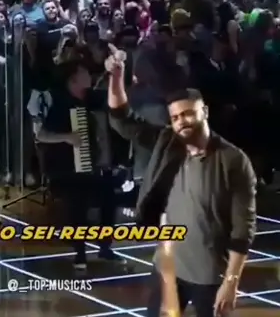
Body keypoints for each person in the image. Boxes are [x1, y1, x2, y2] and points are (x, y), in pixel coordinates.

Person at [105, 44, 257, 317]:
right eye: (175, 117)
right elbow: (122, 118)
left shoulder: (233, 161)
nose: (181, 122)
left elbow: (242, 231)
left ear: (204, 112)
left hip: (209, 276)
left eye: (187, 114)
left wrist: (231, 283)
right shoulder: (168, 142)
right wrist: (117, 76)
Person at [36, 57, 136, 270]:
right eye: (84, 73)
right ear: (72, 80)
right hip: (70, 169)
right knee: (77, 207)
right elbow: (42, 135)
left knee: (110, 201)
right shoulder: (62, 104)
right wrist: (66, 137)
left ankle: (105, 248)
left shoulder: (96, 99)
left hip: (100, 167)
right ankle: (80, 253)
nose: (89, 76)